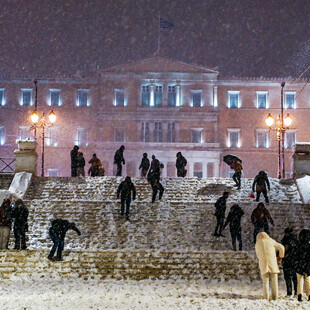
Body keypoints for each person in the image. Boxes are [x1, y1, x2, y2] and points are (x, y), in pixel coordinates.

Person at [255, 232, 285, 301]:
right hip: (272, 263)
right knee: (274, 281)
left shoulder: (257, 244)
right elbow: (281, 247)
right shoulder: (271, 241)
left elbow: (258, 254)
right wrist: (280, 256)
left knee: (265, 282)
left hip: (263, 264)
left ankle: (266, 297)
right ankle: (275, 297)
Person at [281, 227, 298, 297]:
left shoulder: (284, 241)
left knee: (288, 278)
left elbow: (283, 251)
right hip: (295, 261)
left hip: (287, 261)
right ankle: (296, 292)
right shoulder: (297, 241)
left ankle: (289, 292)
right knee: (295, 278)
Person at [294, 229, 310, 302]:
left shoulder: (298, 244)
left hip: (299, 264)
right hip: (307, 264)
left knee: (299, 280)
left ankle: (299, 295)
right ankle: (309, 295)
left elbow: (295, 255)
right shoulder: (309, 245)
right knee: (307, 280)